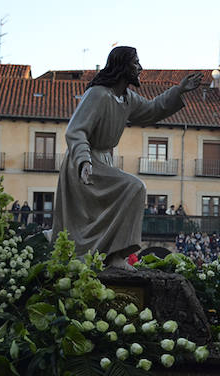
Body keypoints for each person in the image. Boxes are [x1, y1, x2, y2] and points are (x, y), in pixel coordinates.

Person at [52, 46, 201, 269]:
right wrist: (84, 160)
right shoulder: (98, 94)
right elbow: (76, 130)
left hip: (103, 161)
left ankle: (111, 255)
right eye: (135, 63)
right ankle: (116, 256)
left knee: (126, 193)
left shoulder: (126, 98)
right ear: (122, 66)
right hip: (85, 162)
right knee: (134, 187)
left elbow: (152, 109)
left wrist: (178, 91)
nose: (140, 68)